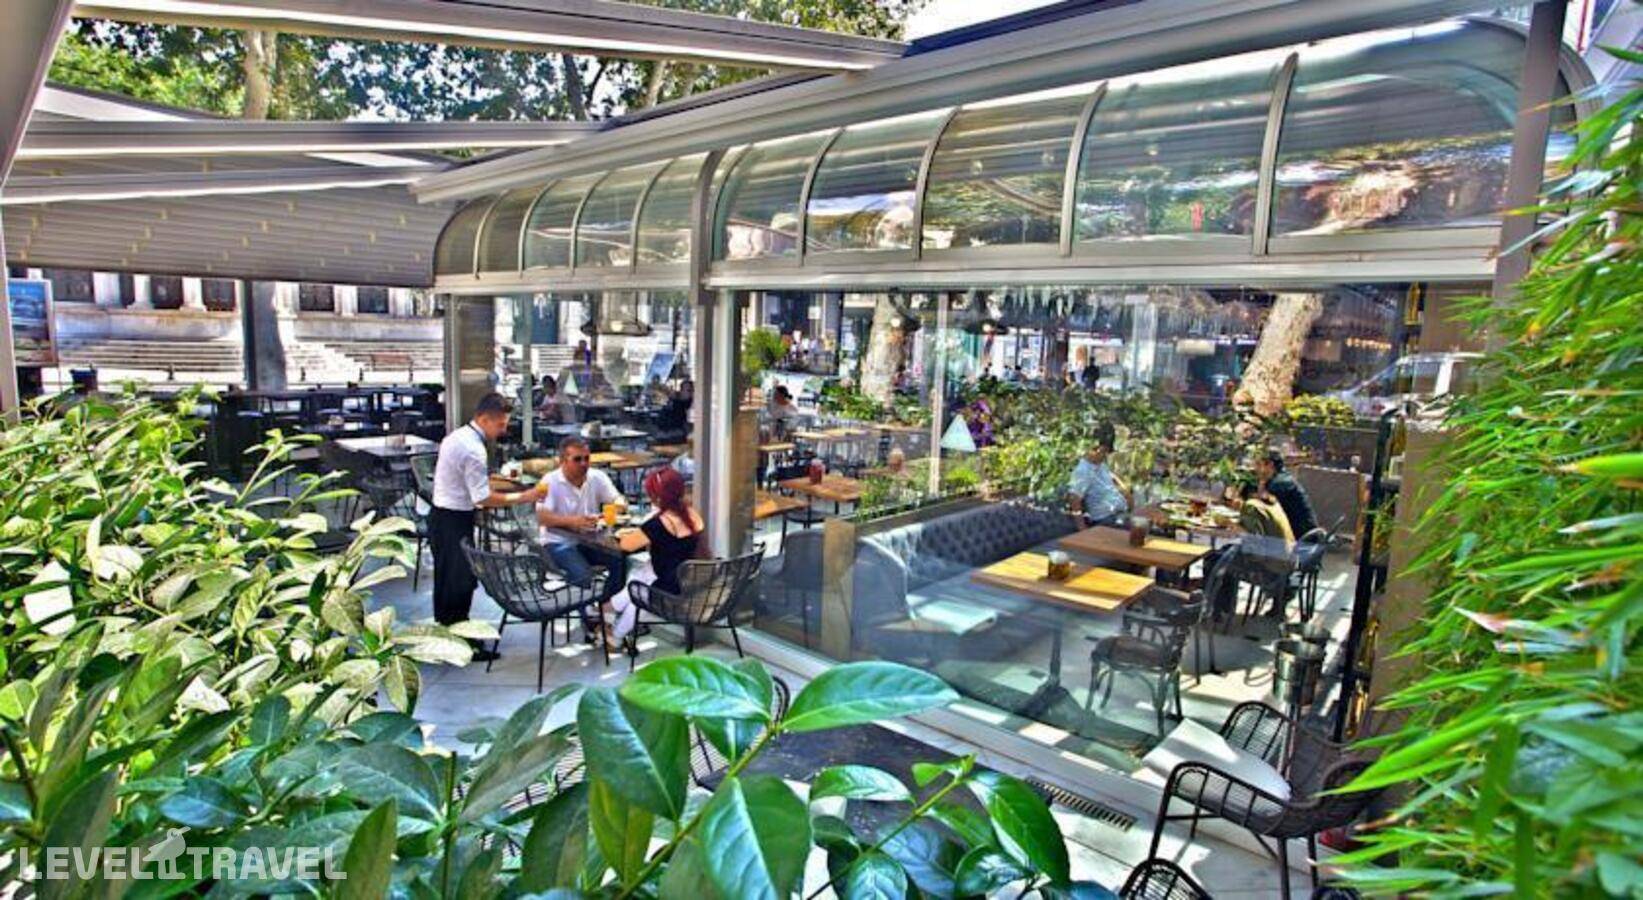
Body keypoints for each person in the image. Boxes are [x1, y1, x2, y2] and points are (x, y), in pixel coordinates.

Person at [428, 392, 545, 661]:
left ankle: (446, 635)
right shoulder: (474, 449)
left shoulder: (456, 436)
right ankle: (461, 644)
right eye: (500, 424)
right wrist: (524, 496)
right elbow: (481, 498)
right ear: (483, 419)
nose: (503, 430)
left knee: (445, 579)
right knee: (459, 582)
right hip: (454, 519)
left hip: (440, 515)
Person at [536, 435, 629, 640]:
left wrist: (618, 505)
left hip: (590, 541)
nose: (584, 464)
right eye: (577, 459)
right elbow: (542, 517)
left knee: (620, 562)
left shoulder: (597, 477)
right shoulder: (550, 481)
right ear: (563, 460)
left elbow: (617, 498)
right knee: (583, 575)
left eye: (587, 458)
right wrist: (573, 522)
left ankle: (603, 611)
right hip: (557, 542)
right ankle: (590, 623)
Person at [616, 467, 707, 599]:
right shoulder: (693, 515)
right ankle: (609, 606)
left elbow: (626, 545)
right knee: (635, 585)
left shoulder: (658, 524)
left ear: (657, 497)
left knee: (635, 579)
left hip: (666, 590)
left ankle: (605, 607)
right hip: (693, 585)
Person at [1067, 426, 1129, 527]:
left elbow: (1113, 479)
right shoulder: (1083, 471)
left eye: (1106, 452)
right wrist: (1083, 529)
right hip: (1106, 519)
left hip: (1120, 514)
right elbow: (1074, 499)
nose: (1105, 455)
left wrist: (1126, 494)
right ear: (1094, 450)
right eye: (1103, 451)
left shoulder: (1101, 465)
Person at [1255, 449, 1319, 537]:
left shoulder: (1280, 483)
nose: (1255, 468)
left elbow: (1260, 508)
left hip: (1302, 539)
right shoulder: (1279, 479)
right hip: (1295, 535)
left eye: (1258, 464)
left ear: (1270, 465)